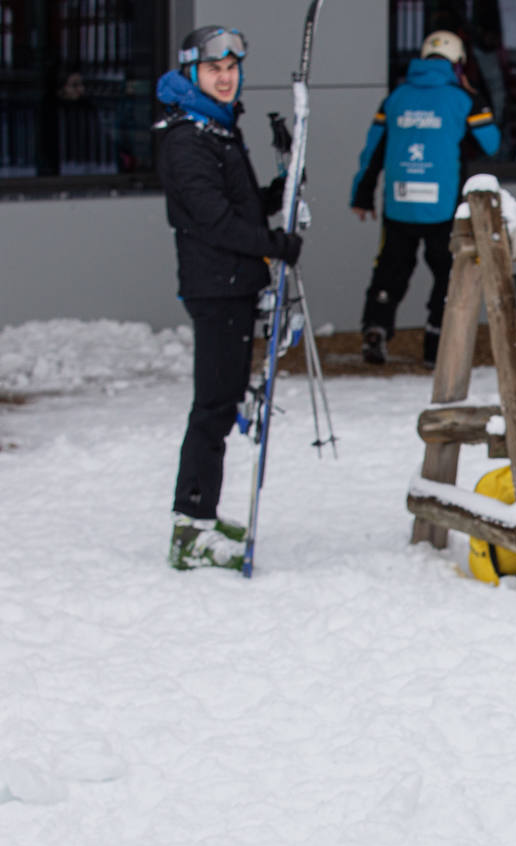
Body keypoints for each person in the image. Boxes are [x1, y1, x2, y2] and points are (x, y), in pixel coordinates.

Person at [155, 25, 303, 571]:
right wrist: (275, 246)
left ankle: (203, 513)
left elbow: (238, 210)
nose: (225, 76)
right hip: (216, 288)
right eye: (214, 68)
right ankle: (189, 528)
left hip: (234, 285)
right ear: (193, 72)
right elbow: (214, 221)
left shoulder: (217, 129)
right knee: (213, 408)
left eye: (232, 68)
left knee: (221, 406)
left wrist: (279, 193)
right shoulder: (186, 138)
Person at [349, 29, 500, 368]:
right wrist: (477, 101)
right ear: (457, 63)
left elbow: (373, 150)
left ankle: (376, 326)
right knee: (447, 272)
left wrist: (362, 193)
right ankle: (436, 342)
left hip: (399, 203)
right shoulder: (463, 99)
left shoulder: (396, 98)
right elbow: (491, 144)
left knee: (389, 268)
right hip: (445, 207)